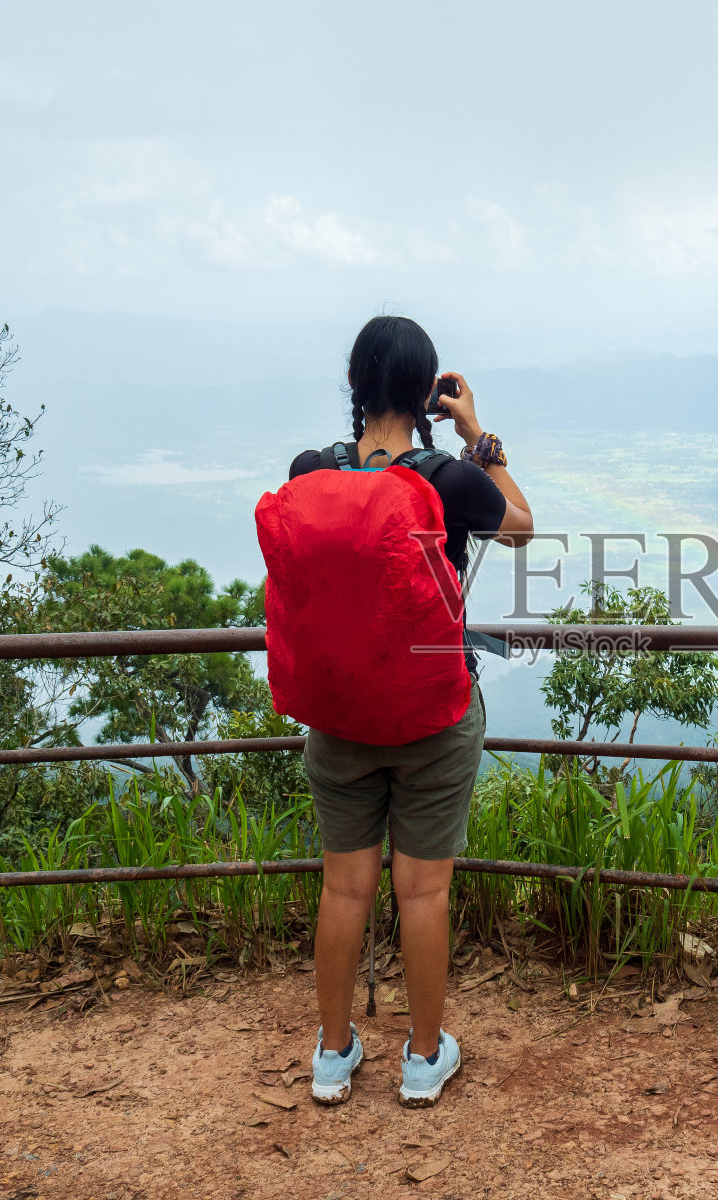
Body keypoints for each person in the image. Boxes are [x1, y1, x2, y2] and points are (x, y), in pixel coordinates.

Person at [288, 315, 533, 1107]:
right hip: (432, 713)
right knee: (422, 892)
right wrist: (480, 436)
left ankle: (332, 1056)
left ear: (355, 386)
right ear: (427, 391)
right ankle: (423, 1060)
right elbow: (523, 529)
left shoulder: (307, 471)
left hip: (337, 712)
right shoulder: (450, 479)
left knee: (343, 889)